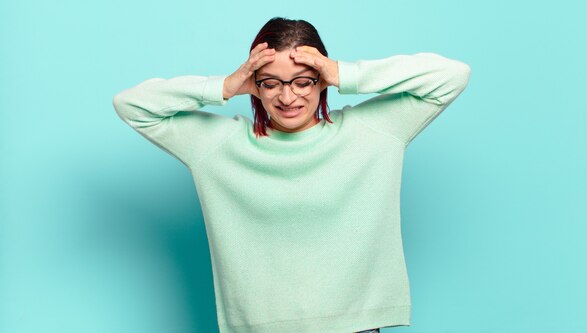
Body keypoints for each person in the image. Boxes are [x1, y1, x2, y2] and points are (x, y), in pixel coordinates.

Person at [112, 16, 470, 333]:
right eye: (271, 83)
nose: (287, 96)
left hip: (354, 327)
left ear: (321, 81)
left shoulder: (370, 132)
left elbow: (452, 76)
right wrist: (226, 86)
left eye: (302, 81)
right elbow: (131, 105)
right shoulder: (222, 145)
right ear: (256, 85)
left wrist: (345, 73)